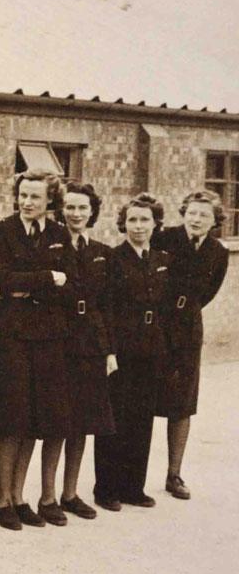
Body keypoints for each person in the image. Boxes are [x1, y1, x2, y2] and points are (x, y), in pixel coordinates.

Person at [0, 169, 71, 531]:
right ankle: (2, 499)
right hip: (12, 335)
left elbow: (69, 283)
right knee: (12, 417)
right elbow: (4, 281)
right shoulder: (2, 230)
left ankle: (20, 497)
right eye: (23, 195)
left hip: (48, 337)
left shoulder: (58, 234)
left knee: (35, 418)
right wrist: (46, 277)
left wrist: (38, 284)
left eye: (35, 196)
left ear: (49, 200)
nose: (27, 202)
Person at [94, 193, 170, 511]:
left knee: (142, 417)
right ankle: (106, 488)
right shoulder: (113, 258)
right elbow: (106, 308)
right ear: (124, 224)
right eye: (132, 220)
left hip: (151, 348)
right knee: (115, 417)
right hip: (122, 347)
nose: (138, 226)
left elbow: (167, 307)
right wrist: (108, 351)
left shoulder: (163, 259)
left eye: (144, 220)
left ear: (155, 224)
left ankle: (133, 487)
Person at [152, 190, 228, 500]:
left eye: (204, 215)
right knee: (143, 398)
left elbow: (207, 293)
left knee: (182, 402)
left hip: (189, 331)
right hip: (156, 323)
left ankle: (174, 474)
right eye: (192, 213)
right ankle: (130, 477)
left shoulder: (218, 252)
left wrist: (186, 311)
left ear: (214, 222)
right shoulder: (164, 238)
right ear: (184, 213)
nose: (196, 219)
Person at [55, 181, 117, 522]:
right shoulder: (51, 246)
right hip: (60, 340)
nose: (75, 214)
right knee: (56, 419)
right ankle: (47, 495)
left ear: (92, 212)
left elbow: (106, 305)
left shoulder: (102, 253)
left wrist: (108, 350)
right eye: (69, 207)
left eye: (82, 208)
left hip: (90, 344)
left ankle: (70, 493)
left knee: (82, 421)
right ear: (61, 210)